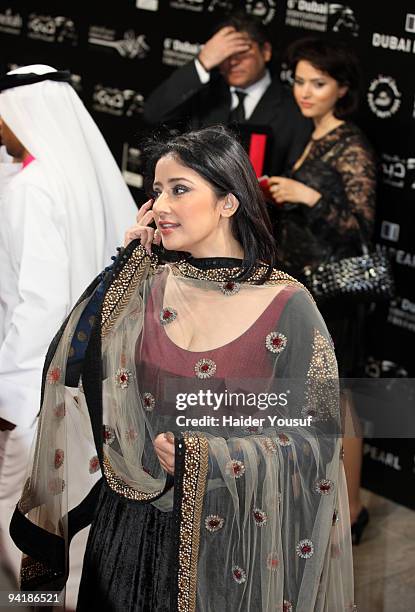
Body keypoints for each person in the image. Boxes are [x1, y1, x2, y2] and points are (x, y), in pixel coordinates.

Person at [10, 125, 354, 611]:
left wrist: (209, 455)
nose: (161, 205)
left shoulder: (288, 303)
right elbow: (70, 367)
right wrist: (126, 268)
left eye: (179, 189)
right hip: (129, 526)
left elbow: (318, 436)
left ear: (228, 202)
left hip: (231, 536)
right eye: (156, 191)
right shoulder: (147, 283)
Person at [0, 65, 136, 607]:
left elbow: (41, 307)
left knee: (20, 530)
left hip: (38, 393)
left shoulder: (35, 187)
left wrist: (8, 403)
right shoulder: (82, 176)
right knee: (73, 526)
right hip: (95, 390)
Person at [267, 37, 376, 544]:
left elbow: (359, 227)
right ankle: (315, 498)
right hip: (303, 292)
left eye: (318, 83)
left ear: (342, 89)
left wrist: (305, 194)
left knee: (340, 401)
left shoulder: (350, 143)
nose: (305, 92)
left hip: (335, 295)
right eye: (299, 80)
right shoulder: (312, 134)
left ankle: (352, 511)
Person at [143, 12, 311, 175]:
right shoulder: (202, 95)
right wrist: (202, 62)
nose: (233, 62)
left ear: (265, 51)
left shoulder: (295, 108)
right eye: (224, 55)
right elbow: (153, 113)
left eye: (242, 52)